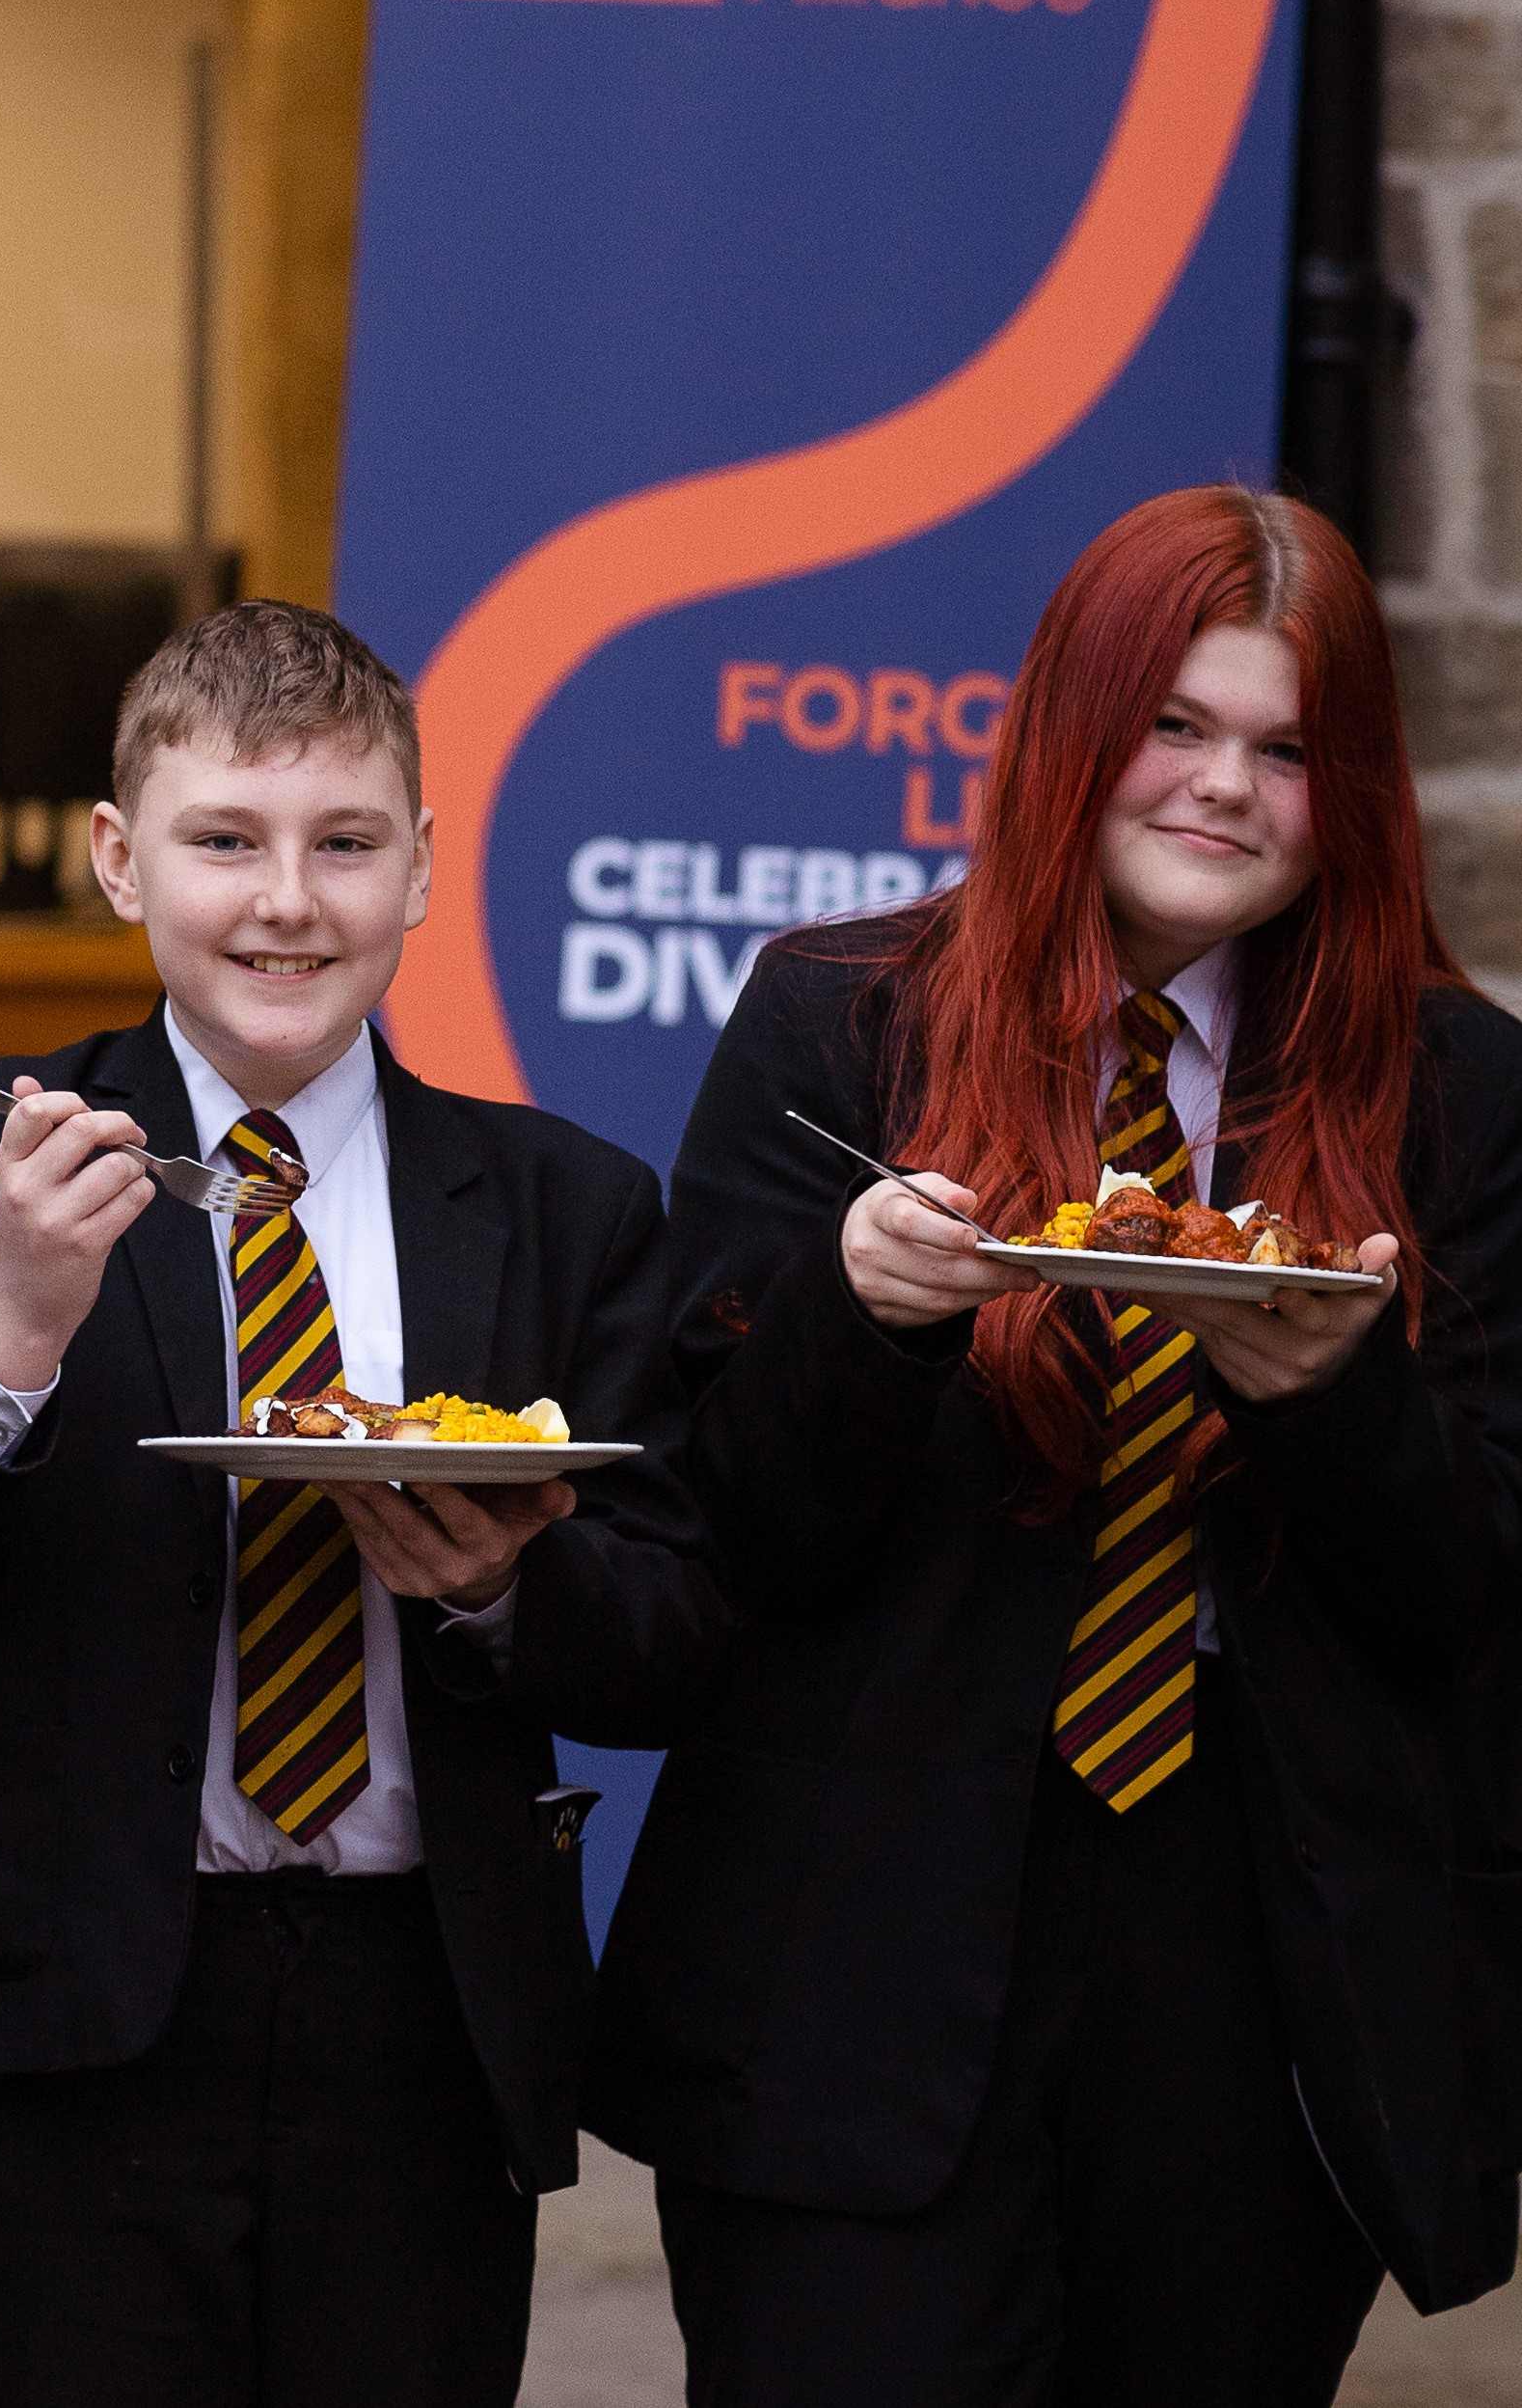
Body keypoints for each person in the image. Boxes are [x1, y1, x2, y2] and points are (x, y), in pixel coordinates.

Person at [592, 483, 1522, 2403]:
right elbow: (711, 1534)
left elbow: (1474, 1600)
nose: (1222, 787)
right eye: (1173, 724)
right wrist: (858, 1317)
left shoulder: (1456, 1086)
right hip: (857, 1944)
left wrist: (1324, 1396)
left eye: (1283, 747)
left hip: (1253, 1966)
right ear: (1069, 729)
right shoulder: (838, 1021)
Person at [0, 600, 724, 2407]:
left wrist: (506, 1591)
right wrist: (10, 1326)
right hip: (70, 2006)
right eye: (226, 841)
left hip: (424, 2011)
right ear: (123, 861)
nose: (288, 901)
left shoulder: (565, 1204)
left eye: (346, 843)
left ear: (424, 869)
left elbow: (676, 1635)